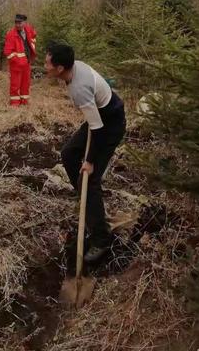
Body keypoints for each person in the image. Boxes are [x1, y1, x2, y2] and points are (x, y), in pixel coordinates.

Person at [44, 43, 126, 262]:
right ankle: (85, 199)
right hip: (98, 119)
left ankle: (101, 240)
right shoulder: (74, 68)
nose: (45, 66)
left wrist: (90, 161)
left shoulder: (79, 88)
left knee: (89, 180)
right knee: (69, 154)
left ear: (60, 68)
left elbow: (98, 130)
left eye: (48, 63)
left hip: (109, 126)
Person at [3, 14, 37, 106]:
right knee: (15, 85)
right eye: (16, 22)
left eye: (19, 23)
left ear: (25, 23)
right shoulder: (11, 34)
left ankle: (24, 102)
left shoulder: (28, 29)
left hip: (27, 63)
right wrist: (17, 60)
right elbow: (7, 52)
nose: (17, 25)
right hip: (16, 65)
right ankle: (14, 103)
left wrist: (32, 48)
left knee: (25, 84)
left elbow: (34, 36)